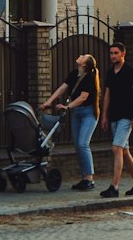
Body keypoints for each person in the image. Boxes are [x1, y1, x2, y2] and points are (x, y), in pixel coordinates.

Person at [43, 54, 100, 191]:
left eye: (83, 56)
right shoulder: (74, 73)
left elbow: (83, 97)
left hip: (88, 113)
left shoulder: (90, 77)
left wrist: (67, 107)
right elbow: (62, 88)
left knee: (83, 143)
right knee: (78, 145)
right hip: (76, 113)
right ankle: (84, 178)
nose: (80, 56)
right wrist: (49, 102)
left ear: (85, 64)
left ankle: (90, 179)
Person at [99, 40, 133, 199]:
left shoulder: (131, 71)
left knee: (116, 148)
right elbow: (107, 94)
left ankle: (114, 187)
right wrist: (104, 115)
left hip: (127, 116)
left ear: (123, 54)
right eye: (111, 53)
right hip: (114, 116)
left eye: (116, 53)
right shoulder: (110, 73)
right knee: (124, 151)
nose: (113, 56)